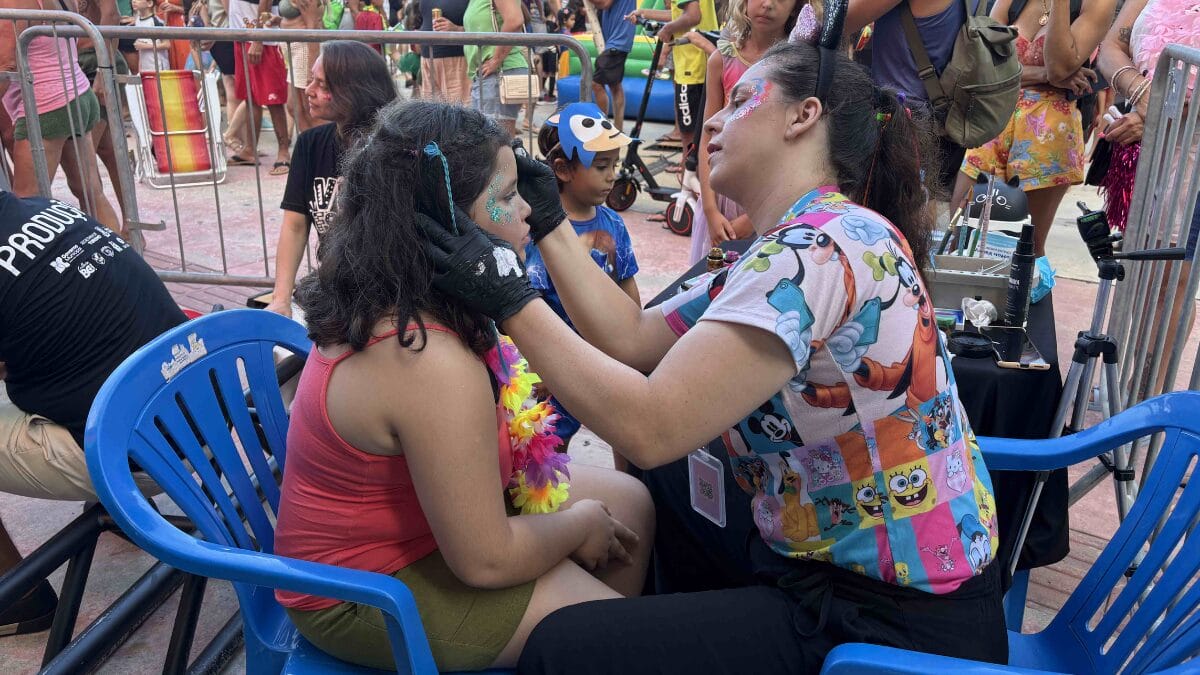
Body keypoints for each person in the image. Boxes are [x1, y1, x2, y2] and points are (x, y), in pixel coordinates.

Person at [419, 39, 1007, 672]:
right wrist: (549, 225)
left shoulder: (816, 251)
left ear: (803, 116)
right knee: (668, 492)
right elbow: (634, 337)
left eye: (743, 100)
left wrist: (509, 299)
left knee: (559, 648)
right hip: (845, 568)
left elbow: (650, 426)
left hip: (886, 618)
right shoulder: (802, 238)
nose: (716, 120)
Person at [272, 100, 655, 671]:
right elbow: (485, 561)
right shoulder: (425, 357)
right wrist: (576, 527)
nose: (527, 209)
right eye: (506, 197)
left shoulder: (418, 296)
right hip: (366, 588)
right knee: (617, 633)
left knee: (630, 501)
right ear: (445, 227)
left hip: (432, 532)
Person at [0, 191, 185, 636]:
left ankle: (17, 598)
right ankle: (121, 513)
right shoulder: (46, 208)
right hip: (202, 419)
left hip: (130, 455)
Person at [953, 0, 1115, 257]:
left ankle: (1033, 298)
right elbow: (981, 68)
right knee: (960, 233)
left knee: (1026, 249)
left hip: (1049, 133)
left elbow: (1059, 65)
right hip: (994, 120)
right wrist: (1043, 76)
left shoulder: (1097, 3)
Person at [1096, 0, 1200, 397]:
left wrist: (1161, 111)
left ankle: (1149, 395)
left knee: (1174, 280)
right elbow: (1109, 48)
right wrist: (1142, 93)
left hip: (1192, 160)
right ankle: (1127, 382)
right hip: (1147, 155)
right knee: (1143, 271)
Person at [526, 102, 639, 453]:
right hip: (548, 369)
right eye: (601, 165)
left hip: (599, 363)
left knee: (625, 431)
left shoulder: (613, 224)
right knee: (546, 449)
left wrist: (633, 346)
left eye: (615, 165)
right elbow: (526, 309)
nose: (612, 176)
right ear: (562, 169)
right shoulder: (533, 230)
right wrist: (538, 366)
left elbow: (627, 290)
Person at [265, 41, 396, 318]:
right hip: (338, 290)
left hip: (391, 296)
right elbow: (295, 227)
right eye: (311, 80)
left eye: (322, 85)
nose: (309, 91)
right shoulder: (310, 145)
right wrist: (280, 298)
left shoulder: (393, 149)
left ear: (355, 91)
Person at [691, 0, 805, 264]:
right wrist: (709, 208)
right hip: (721, 197)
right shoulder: (721, 60)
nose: (767, 4)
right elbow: (708, 135)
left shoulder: (798, 67)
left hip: (773, 198)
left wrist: (754, 216)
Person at [0, 0, 124, 239]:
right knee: (91, 193)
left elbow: (5, 65)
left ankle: (35, 276)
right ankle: (118, 265)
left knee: (26, 207)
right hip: (75, 94)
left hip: (45, 105)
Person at [845, 0, 965, 194]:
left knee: (884, 208)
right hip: (938, 114)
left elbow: (839, 20)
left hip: (898, 121)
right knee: (920, 200)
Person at [626, 0, 718, 158]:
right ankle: (690, 171)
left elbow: (693, 16)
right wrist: (645, 13)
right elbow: (679, 14)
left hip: (692, 66)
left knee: (689, 137)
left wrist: (667, 30)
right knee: (700, 134)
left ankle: (689, 176)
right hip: (701, 63)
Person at [227, 0, 292, 174]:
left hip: (262, 39)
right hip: (242, 34)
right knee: (250, 96)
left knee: (273, 99)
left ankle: (283, 152)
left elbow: (266, 3)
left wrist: (258, 38)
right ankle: (249, 149)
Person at [461, 0, 531, 135]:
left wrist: (496, 60)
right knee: (492, 140)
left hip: (500, 72)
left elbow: (515, 20)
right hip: (489, 74)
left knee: (496, 141)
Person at [587, 0, 635, 131]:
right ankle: (618, 128)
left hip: (618, 41)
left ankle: (603, 128)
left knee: (596, 84)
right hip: (614, 40)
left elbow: (604, 3)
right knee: (615, 85)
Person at [418, 0, 473, 104]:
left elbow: (482, 26)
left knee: (458, 112)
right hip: (427, 59)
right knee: (431, 114)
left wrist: (457, 29)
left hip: (456, 61)